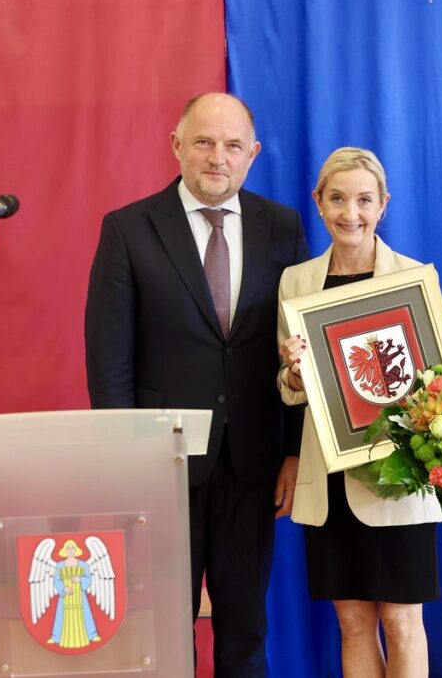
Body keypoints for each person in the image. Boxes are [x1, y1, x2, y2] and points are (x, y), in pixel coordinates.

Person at [85, 92, 309, 676]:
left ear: (253, 154)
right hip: (162, 463)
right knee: (163, 626)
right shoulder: (129, 229)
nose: (218, 157)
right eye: (204, 142)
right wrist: (126, 460)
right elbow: (109, 362)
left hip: (254, 463)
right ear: (177, 145)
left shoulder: (282, 228)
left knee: (245, 627)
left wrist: (294, 450)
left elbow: (300, 349)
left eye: (233, 145)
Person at [277, 147, 442, 677]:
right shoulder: (295, 282)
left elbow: (440, 385)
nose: (351, 213)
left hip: (400, 478)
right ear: (318, 202)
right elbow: (288, 390)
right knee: (352, 624)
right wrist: (293, 375)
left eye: (364, 200)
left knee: (402, 622)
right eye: (338, 199)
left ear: (383, 205)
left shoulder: (414, 277)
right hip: (331, 479)